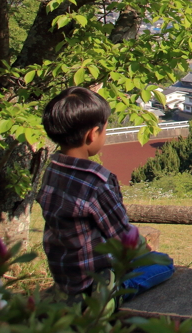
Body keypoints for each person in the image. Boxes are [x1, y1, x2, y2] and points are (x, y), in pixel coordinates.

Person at [37, 87, 174, 298]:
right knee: (164, 263)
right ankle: (112, 295)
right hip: (94, 282)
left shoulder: (52, 170)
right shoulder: (96, 182)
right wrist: (145, 250)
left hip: (64, 274)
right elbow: (121, 234)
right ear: (93, 134)